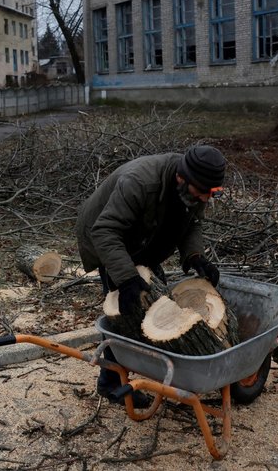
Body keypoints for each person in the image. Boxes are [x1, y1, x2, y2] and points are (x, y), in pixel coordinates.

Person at [76, 145, 227, 404]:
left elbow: (193, 223)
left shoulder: (194, 186)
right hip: (107, 237)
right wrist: (125, 278)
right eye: (202, 193)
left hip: (142, 238)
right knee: (127, 315)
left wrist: (195, 256)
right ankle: (111, 384)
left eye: (210, 194)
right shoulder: (139, 182)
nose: (205, 199)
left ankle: (155, 371)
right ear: (182, 178)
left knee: (158, 307)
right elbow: (105, 231)